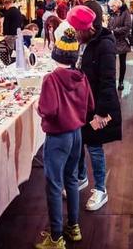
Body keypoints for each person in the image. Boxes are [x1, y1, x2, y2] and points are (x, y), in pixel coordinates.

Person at [35, 28, 95, 249]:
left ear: (56, 55)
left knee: (53, 183)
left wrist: (38, 108)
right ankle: (74, 226)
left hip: (58, 136)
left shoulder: (51, 80)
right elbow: (90, 106)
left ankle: (56, 237)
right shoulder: (82, 77)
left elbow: (47, 110)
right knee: (71, 180)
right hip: (76, 134)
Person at [67, 5, 121, 212]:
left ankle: (100, 189)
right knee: (79, 143)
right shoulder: (83, 43)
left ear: (83, 29)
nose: (72, 33)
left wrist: (100, 112)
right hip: (80, 104)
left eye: (75, 29)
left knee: (95, 147)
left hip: (96, 104)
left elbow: (108, 81)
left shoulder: (104, 45)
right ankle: (81, 178)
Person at [107, 0, 132, 91]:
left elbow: (128, 26)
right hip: (112, 41)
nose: (111, 8)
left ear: (118, 5)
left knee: (122, 62)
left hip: (122, 41)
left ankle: (121, 81)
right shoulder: (112, 14)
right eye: (110, 6)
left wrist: (115, 31)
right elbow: (109, 26)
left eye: (113, 6)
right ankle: (112, 81)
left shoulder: (125, 13)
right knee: (111, 62)